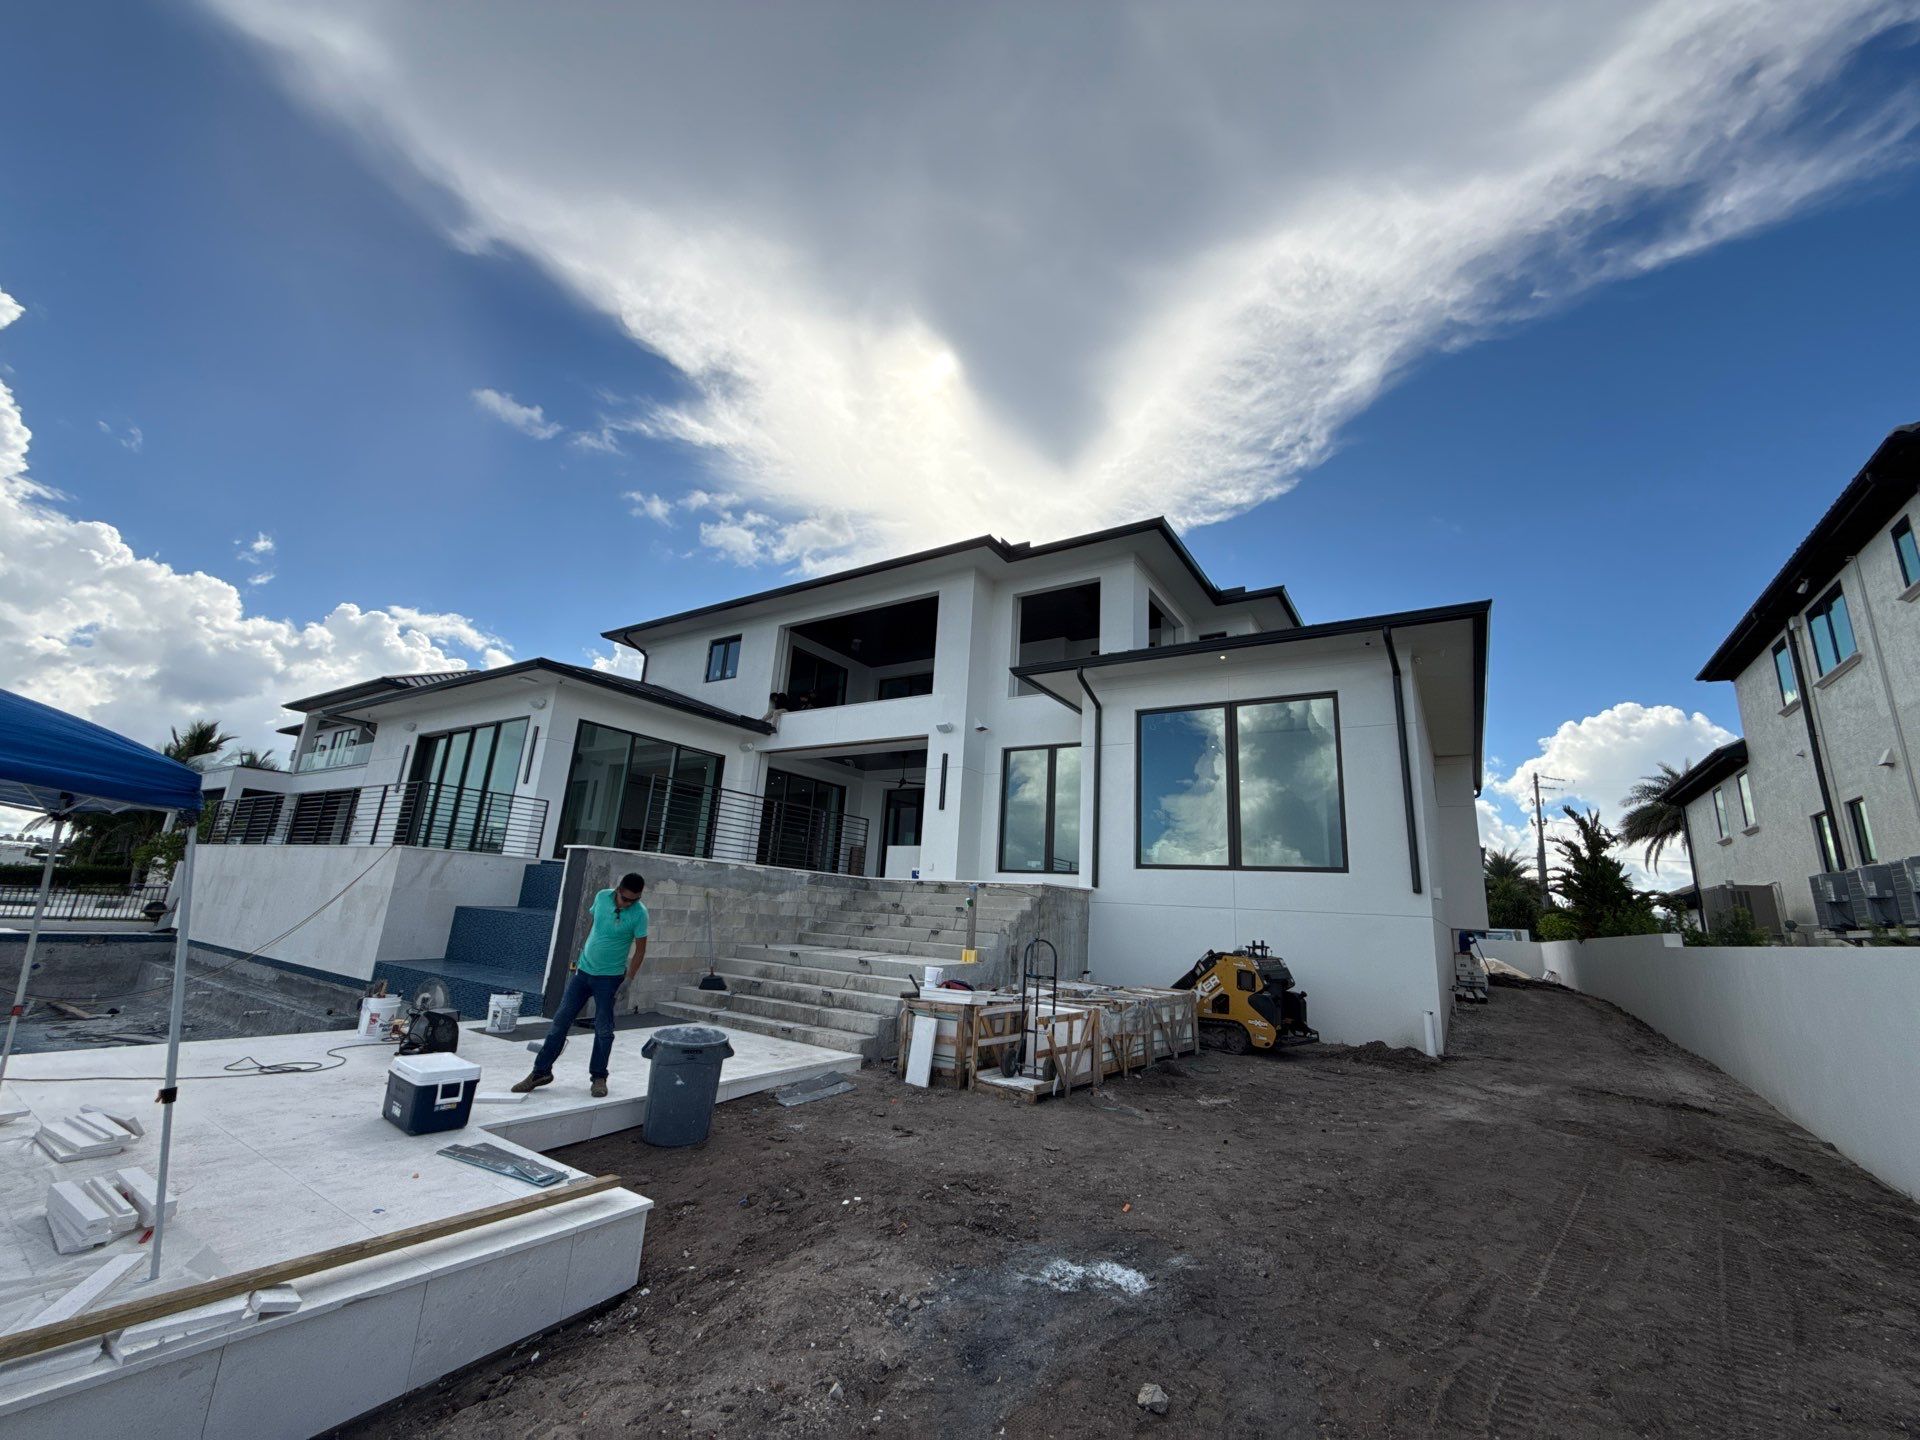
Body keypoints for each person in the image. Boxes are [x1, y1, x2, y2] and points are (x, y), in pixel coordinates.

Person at [513, 871, 649, 1098]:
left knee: (604, 1030)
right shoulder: (602, 897)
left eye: (634, 900)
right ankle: (540, 1072)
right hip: (583, 973)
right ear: (618, 891)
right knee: (560, 1022)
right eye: (626, 899)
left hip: (610, 978)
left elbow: (640, 950)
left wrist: (629, 979)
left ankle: (599, 1076)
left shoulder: (640, 914)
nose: (629, 904)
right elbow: (594, 927)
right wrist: (583, 953)